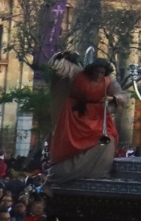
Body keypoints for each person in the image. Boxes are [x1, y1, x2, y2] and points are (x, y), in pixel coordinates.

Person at [43, 53, 129, 184]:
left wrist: (112, 98)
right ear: (91, 70)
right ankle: (69, 170)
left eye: (102, 72)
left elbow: (122, 96)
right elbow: (58, 66)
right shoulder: (79, 74)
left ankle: (99, 172)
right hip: (77, 116)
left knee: (108, 140)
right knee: (71, 144)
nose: (99, 75)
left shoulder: (109, 83)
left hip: (99, 116)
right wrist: (66, 57)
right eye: (97, 71)